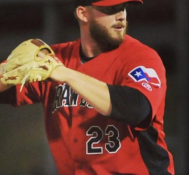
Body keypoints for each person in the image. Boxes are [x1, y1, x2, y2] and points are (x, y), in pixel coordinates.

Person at [0, 0, 175, 174]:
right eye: (111, 9)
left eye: (123, 8)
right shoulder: (56, 59)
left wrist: (66, 74)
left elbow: (137, 109)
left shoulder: (141, 58)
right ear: (83, 13)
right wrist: (6, 73)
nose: (121, 15)